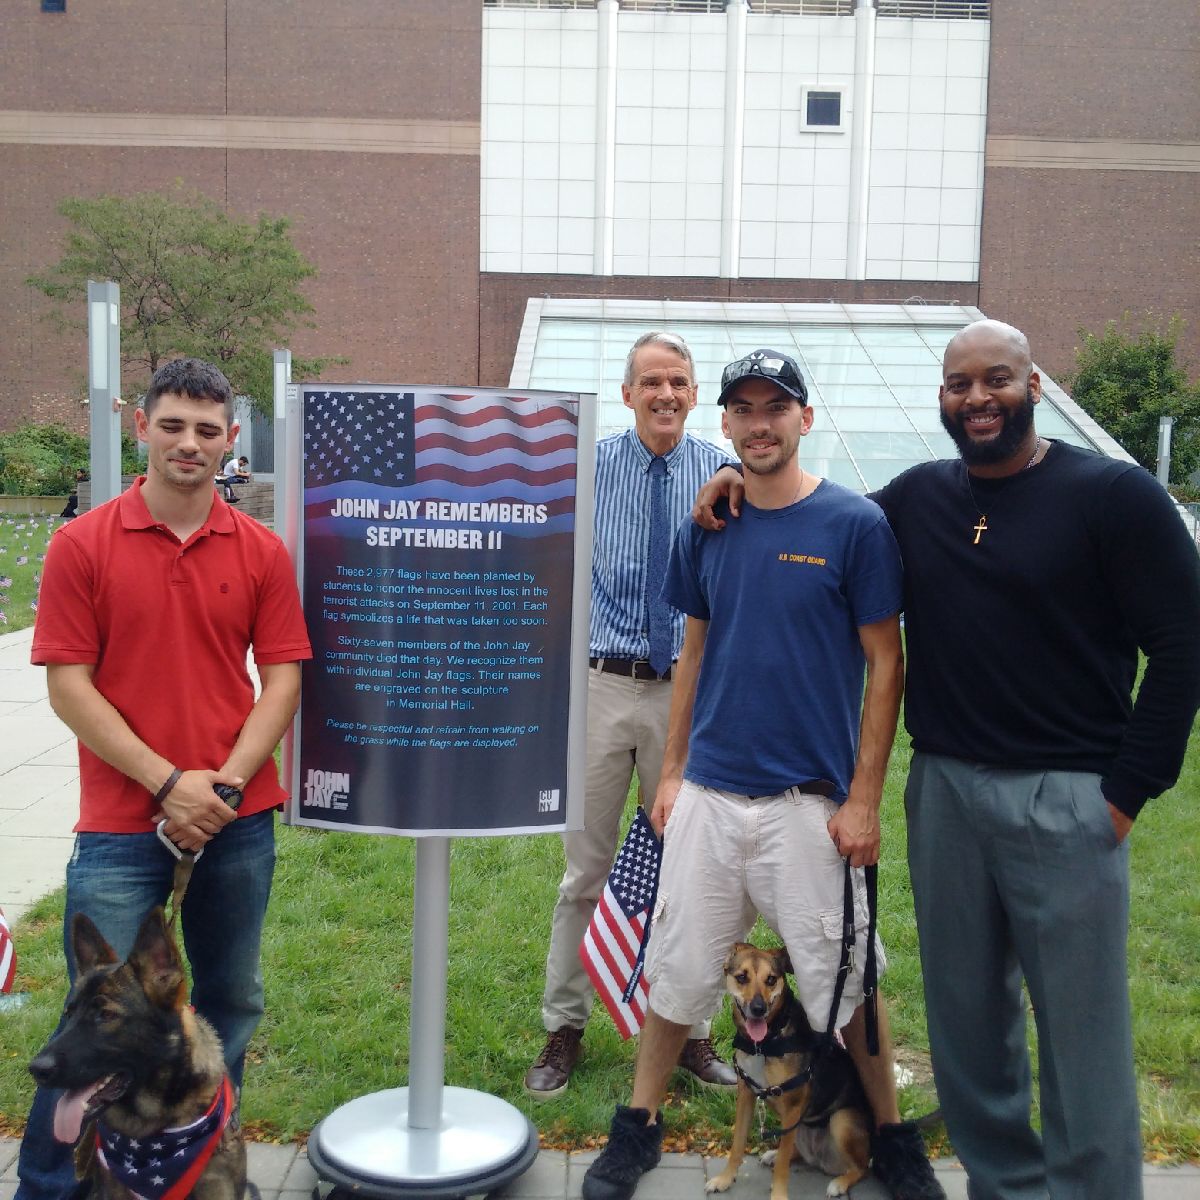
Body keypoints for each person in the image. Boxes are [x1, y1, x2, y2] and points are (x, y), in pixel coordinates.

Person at [692, 320, 1200, 1200]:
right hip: (947, 792)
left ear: (1033, 384)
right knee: (969, 1026)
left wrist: (1126, 792)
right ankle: (1004, 1185)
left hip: (1071, 793)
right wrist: (740, 473)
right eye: (959, 385)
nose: (978, 399)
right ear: (940, 399)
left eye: (996, 380)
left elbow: (1184, 643)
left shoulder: (1114, 497)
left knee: (1080, 1032)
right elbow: (822, 512)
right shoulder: (920, 499)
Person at [582, 349, 944, 1200]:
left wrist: (863, 800)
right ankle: (637, 1129)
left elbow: (884, 666)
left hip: (808, 808)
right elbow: (693, 654)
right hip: (709, 792)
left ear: (804, 420)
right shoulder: (711, 523)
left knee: (848, 981)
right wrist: (670, 774)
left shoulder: (854, 527)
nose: (759, 422)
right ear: (727, 423)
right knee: (676, 969)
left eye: (775, 408)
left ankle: (893, 1142)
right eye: (743, 408)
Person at [18, 358, 312, 1200]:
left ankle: (206, 1178)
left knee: (227, 1007)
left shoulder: (259, 550)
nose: (191, 443)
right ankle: (48, 1187)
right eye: (174, 425)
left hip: (237, 822)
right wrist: (167, 781)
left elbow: (283, 678)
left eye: (208, 430)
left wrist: (219, 788)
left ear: (230, 442)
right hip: (118, 827)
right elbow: (69, 684)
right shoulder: (83, 544)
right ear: (141, 427)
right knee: (90, 1030)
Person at [524, 332, 738, 1097]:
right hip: (602, 687)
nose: (666, 394)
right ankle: (564, 1025)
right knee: (585, 869)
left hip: (689, 693)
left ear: (693, 392)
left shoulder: (724, 473)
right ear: (627, 394)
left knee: (690, 872)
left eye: (679, 381)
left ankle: (691, 1032)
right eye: (651, 381)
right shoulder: (587, 466)